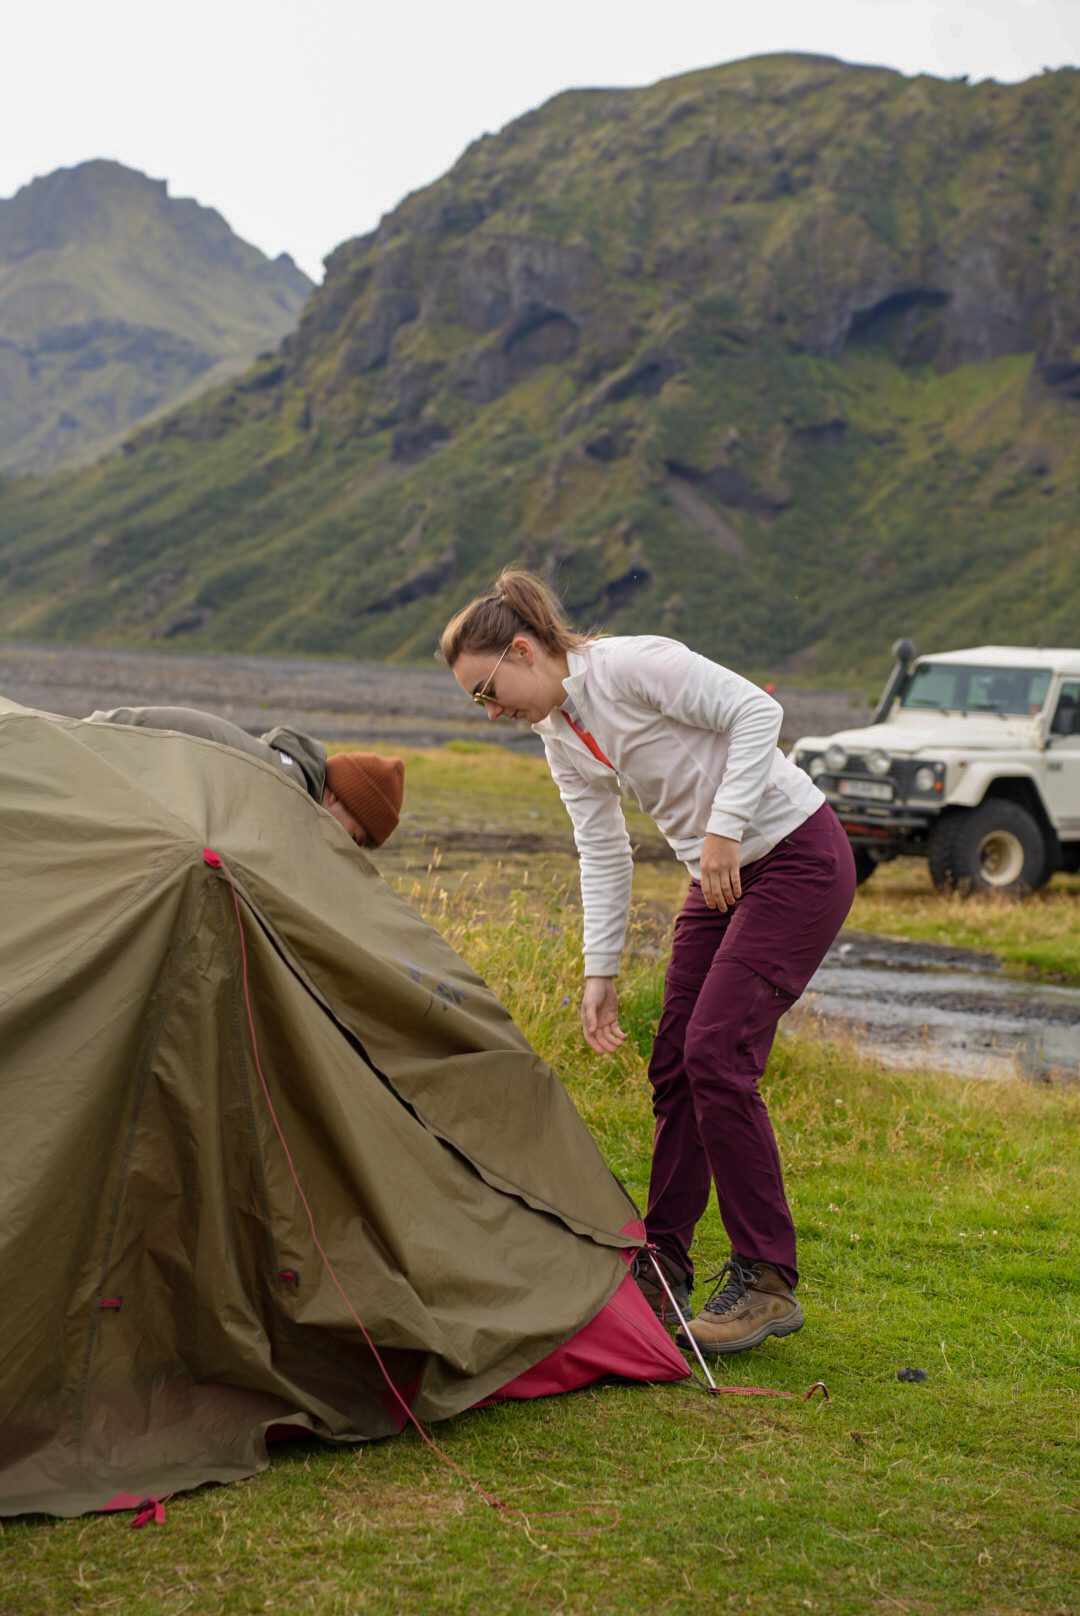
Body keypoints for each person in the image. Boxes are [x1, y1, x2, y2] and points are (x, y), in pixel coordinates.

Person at [440, 571, 856, 1356]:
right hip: (719, 874)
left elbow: (756, 710)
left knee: (717, 1052)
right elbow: (601, 847)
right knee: (674, 1063)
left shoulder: (632, 666)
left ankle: (766, 1278)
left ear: (525, 650)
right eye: (479, 704)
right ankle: (663, 1269)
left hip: (796, 856)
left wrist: (725, 828)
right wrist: (600, 972)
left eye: (488, 691)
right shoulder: (558, 730)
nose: (493, 713)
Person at [88, 705, 404, 849]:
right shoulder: (284, 788)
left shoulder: (287, 771)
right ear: (336, 796)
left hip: (107, 750)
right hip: (99, 746)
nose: (345, 848)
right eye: (352, 837)